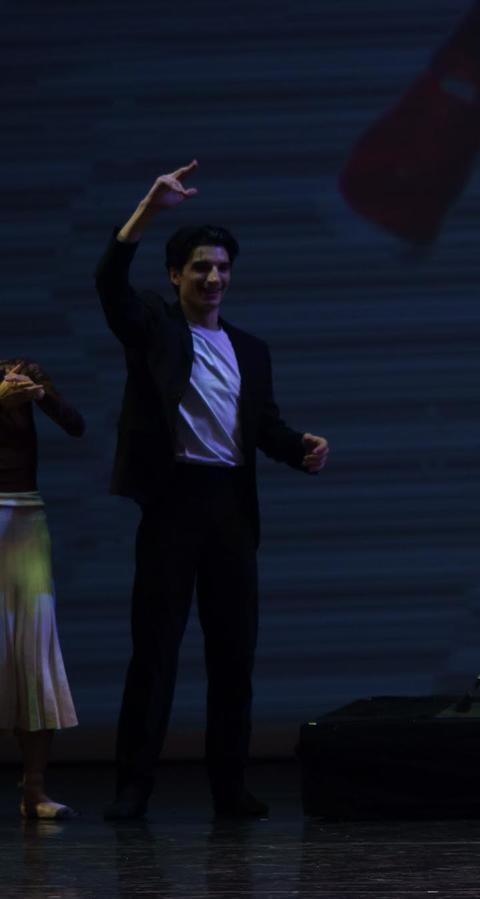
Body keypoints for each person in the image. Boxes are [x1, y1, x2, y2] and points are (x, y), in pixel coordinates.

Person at [95, 160, 330, 820]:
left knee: (233, 654)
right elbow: (110, 284)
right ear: (176, 275)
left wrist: (299, 446)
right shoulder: (156, 328)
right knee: (156, 650)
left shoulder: (250, 349)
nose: (213, 278)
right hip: (174, 501)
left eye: (222, 268)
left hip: (230, 506)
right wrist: (148, 207)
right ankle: (133, 787)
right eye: (200, 267)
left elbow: (261, 425)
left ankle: (230, 786)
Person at [0, 359, 84, 819]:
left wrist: (38, 394)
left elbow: (75, 424)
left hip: (26, 521)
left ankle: (34, 789)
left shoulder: (22, 368)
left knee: (34, 653)